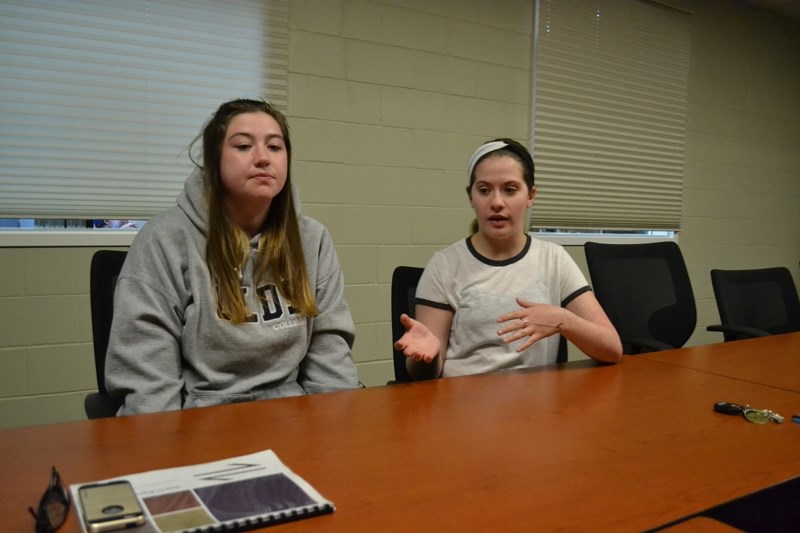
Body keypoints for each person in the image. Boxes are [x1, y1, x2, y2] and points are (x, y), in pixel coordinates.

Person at [106, 98, 359, 414]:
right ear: (214, 161)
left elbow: (329, 354)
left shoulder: (312, 239)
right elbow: (148, 379)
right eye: (243, 146)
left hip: (293, 421)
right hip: (199, 421)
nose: (263, 158)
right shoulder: (164, 240)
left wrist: (339, 430)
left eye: (275, 147)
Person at [395, 139, 622, 380]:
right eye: (484, 190)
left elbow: (612, 349)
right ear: (471, 197)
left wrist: (563, 320)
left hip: (537, 408)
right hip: (463, 406)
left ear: (531, 195)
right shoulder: (444, 266)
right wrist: (425, 357)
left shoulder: (554, 259)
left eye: (510, 190)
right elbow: (423, 374)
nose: (496, 203)